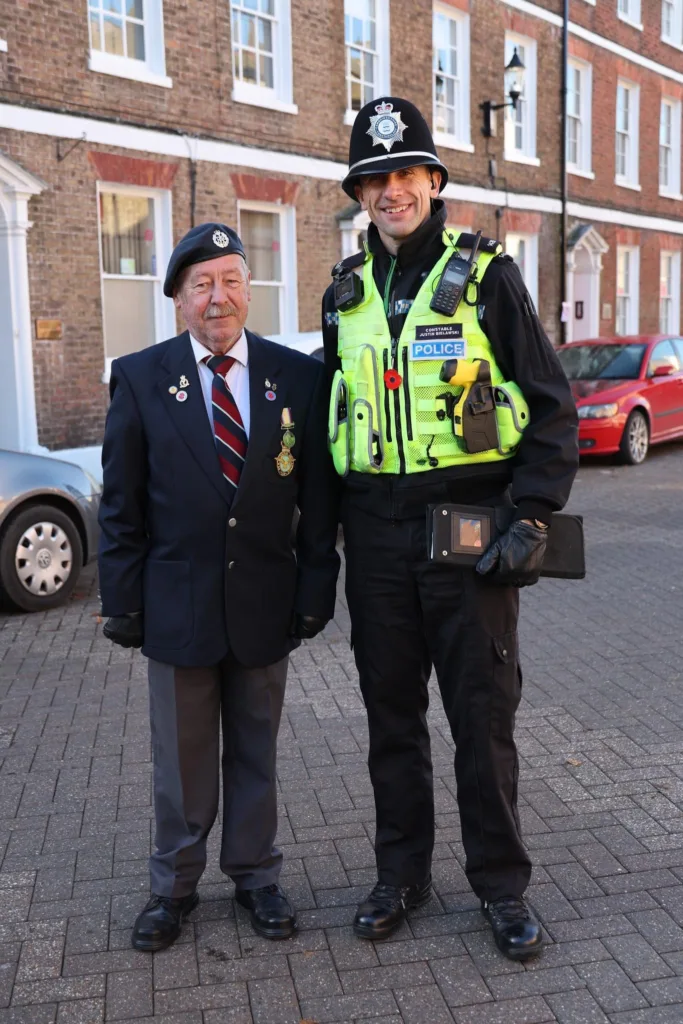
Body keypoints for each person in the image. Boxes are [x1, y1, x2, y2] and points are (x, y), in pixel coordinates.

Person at [322, 98, 579, 961]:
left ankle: (501, 889)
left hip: (468, 532)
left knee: (481, 716)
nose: (390, 191)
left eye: (404, 174)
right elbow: (333, 429)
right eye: (373, 179)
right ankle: (401, 875)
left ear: (432, 181)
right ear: (360, 195)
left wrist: (531, 515)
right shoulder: (343, 294)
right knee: (389, 716)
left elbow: (550, 407)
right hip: (375, 535)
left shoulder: (486, 275)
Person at [99, 222, 340, 952]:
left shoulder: (296, 377)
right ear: (177, 299)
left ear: (247, 289)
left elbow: (319, 502)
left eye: (231, 279)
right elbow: (121, 505)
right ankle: (173, 886)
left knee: (256, 750)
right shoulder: (140, 377)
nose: (218, 297)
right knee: (182, 757)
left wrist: (315, 590)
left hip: (267, 602)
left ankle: (256, 877)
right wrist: (123, 602)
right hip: (177, 605)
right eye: (201, 284)